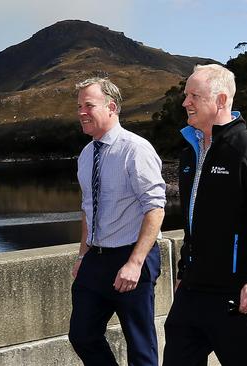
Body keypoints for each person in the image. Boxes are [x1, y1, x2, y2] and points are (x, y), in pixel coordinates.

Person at [162, 64, 247, 366]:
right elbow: (193, 223)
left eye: (194, 95)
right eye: (185, 95)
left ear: (220, 100)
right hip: (193, 290)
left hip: (238, 294)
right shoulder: (189, 153)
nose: (185, 103)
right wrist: (184, 271)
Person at [68, 77, 166, 366]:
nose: (81, 112)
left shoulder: (135, 149)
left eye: (88, 105)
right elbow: (89, 208)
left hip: (132, 255)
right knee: (82, 335)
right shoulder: (87, 154)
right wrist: (82, 254)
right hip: (95, 259)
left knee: (140, 345)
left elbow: (156, 208)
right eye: (78, 106)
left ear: (111, 107)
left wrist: (135, 263)